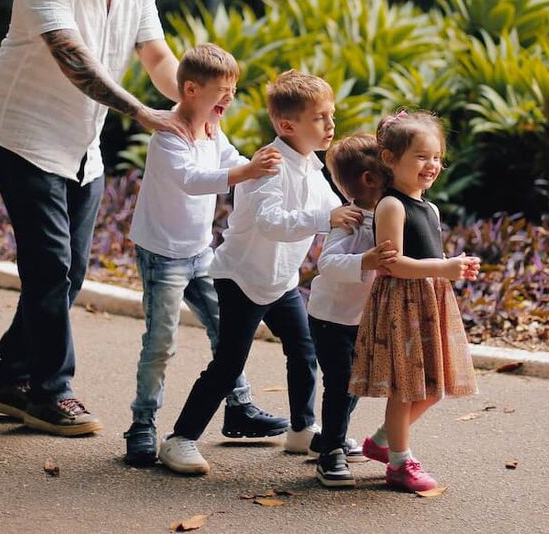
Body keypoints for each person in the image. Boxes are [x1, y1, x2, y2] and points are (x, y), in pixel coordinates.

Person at [0, 0, 195, 436]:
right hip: (23, 139)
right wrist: (143, 114)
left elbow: (156, 55)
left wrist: (194, 102)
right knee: (50, 269)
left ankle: (8, 376)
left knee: (69, 275)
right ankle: (51, 393)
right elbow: (72, 56)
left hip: (82, 150)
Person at [157, 70, 364, 475]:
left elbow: (339, 205)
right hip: (241, 279)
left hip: (280, 282)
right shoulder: (267, 166)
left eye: (332, 115)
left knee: (304, 353)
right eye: (321, 117)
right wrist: (328, 218)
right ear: (287, 125)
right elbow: (274, 222)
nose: (331, 125)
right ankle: (179, 439)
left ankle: (303, 430)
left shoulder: (310, 165)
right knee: (229, 363)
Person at [124, 44, 289, 466]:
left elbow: (231, 161)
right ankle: (142, 424)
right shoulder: (169, 135)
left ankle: (240, 406)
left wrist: (263, 166)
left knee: (226, 330)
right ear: (192, 89)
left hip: (200, 252)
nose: (229, 99)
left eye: (233, 90)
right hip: (163, 255)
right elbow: (193, 180)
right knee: (161, 341)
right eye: (222, 91)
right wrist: (246, 172)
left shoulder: (214, 130)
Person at [349, 109, 480, 493]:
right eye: (421, 156)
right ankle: (399, 464)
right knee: (405, 389)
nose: (432, 165)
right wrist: (443, 268)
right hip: (402, 303)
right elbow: (393, 264)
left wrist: (452, 267)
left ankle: (382, 442)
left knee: (433, 386)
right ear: (390, 159)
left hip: (429, 300)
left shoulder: (430, 207)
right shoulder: (392, 205)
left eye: (437, 156)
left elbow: (427, 255)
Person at [307, 133, 397, 487]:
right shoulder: (352, 219)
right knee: (341, 383)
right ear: (370, 180)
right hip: (331, 318)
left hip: (362, 318)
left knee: (355, 384)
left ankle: (330, 434)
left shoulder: (389, 214)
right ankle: (329, 453)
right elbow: (327, 263)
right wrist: (366, 259)